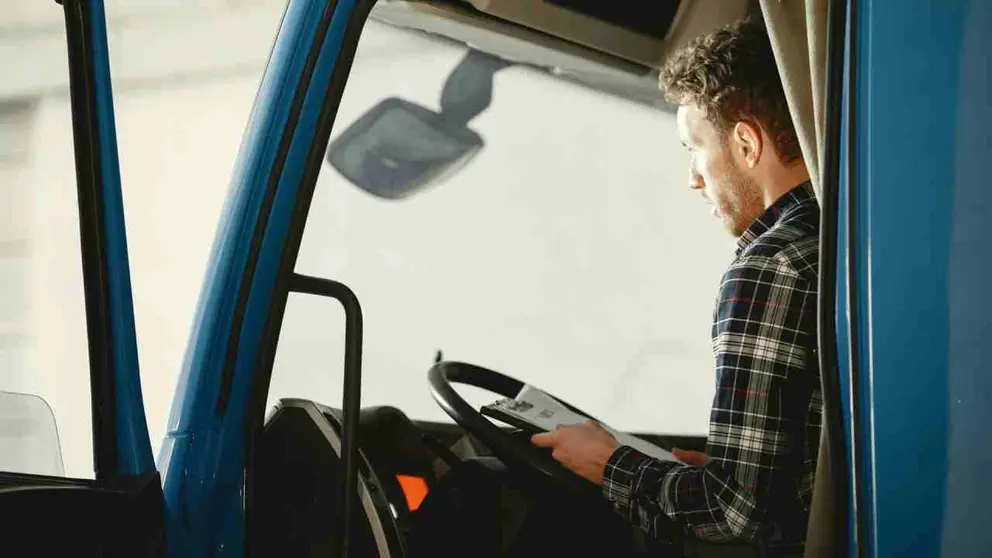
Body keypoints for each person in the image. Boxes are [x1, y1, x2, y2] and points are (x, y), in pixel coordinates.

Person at [531, 16, 822, 556]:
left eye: (694, 147)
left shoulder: (771, 265)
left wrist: (607, 463)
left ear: (746, 143)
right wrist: (727, 468)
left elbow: (733, 513)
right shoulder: (841, 241)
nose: (693, 178)